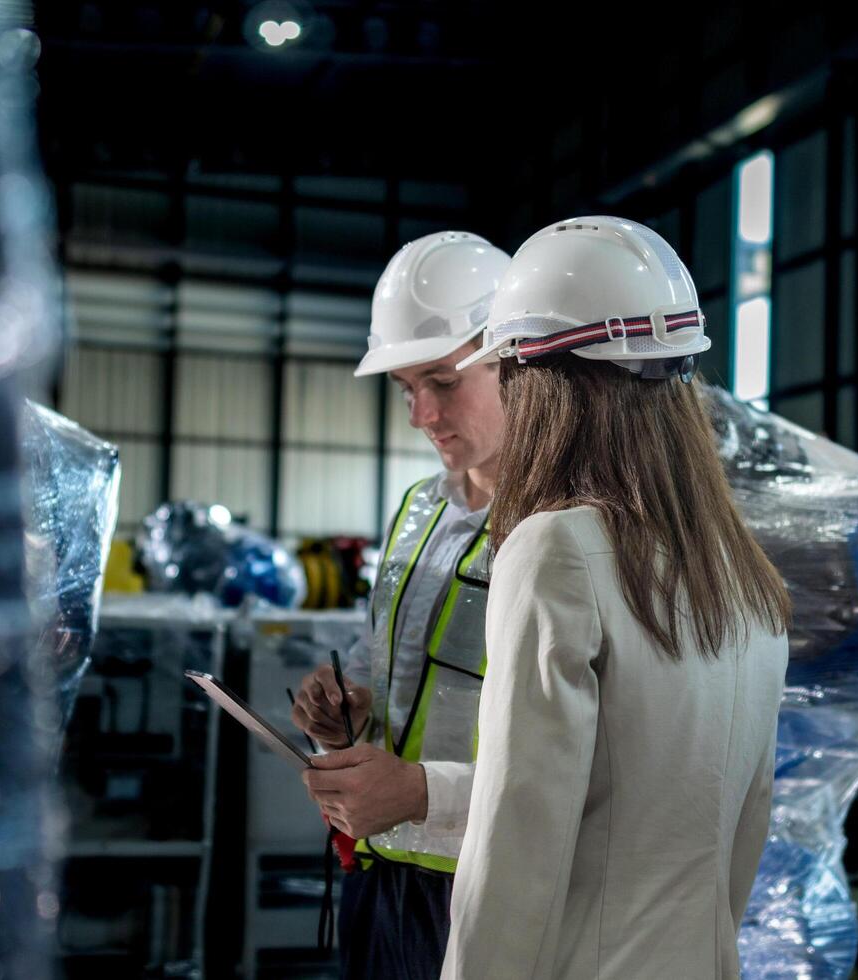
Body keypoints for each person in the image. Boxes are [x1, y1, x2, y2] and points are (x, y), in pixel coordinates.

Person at [442, 216, 792, 979]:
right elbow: (747, 831)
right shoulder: (746, 580)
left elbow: (518, 840)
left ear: (535, 379)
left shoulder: (557, 552)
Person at [288, 231, 510, 979]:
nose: (421, 414)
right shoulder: (420, 509)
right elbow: (379, 663)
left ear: (516, 361)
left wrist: (421, 792)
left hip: (484, 883)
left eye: (442, 381)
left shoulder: (562, 528)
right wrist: (345, 706)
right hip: (380, 863)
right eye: (406, 388)